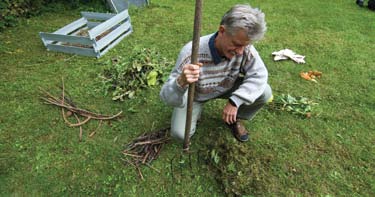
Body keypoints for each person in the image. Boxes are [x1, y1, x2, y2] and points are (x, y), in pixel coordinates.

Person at [160, 4, 272, 142]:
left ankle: (234, 119)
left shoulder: (245, 49)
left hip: (225, 87)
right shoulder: (191, 52)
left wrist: (235, 101)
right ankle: (196, 111)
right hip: (196, 95)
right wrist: (180, 82)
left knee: (265, 92)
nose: (240, 51)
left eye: (245, 45)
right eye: (236, 44)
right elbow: (166, 97)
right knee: (180, 134)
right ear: (222, 30)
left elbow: (259, 75)